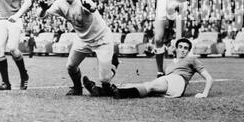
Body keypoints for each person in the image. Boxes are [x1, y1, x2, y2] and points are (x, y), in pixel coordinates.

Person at [37, 0, 117, 96]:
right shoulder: (59, 3)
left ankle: (115, 63)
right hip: (83, 39)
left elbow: (93, 8)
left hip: (101, 39)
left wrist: (90, 8)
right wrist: (43, 9)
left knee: (105, 80)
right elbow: (42, 16)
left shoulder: (82, 0)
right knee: (70, 66)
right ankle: (77, 88)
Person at [83, 38, 213, 99]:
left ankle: (120, 94)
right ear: (176, 48)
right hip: (170, 81)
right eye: (181, 47)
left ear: (189, 50)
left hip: (178, 81)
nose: (183, 50)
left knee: (149, 86)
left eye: (186, 48)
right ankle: (99, 91)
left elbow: (209, 78)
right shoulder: (170, 65)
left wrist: (204, 94)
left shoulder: (192, 59)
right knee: (141, 85)